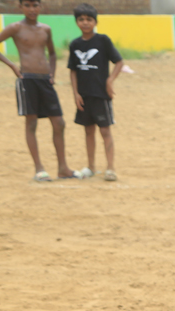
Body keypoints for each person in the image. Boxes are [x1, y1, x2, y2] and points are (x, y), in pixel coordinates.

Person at [0, 0, 78, 181]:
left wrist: (52, 74)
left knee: (59, 123)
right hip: (27, 79)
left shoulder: (46, 29)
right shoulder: (15, 28)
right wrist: (12, 65)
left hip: (45, 81)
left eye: (35, 5)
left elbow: (52, 54)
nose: (32, 9)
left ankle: (63, 168)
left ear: (40, 6)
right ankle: (39, 169)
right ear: (20, 7)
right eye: (27, 5)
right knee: (32, 123)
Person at [67, 3, 123, 182]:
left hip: (100, 95)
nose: (85, 23)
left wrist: (110, 80)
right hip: (84, 95)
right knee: (88, 131)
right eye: (81, 19)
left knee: (105, 131)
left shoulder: (103, 41)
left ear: (95, 22)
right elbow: (73, 70)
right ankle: (91, 166)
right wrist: (76, 93)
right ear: (76, 22)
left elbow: (119, 62)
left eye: (89, 19)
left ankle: (110, 168)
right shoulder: (75, 44)